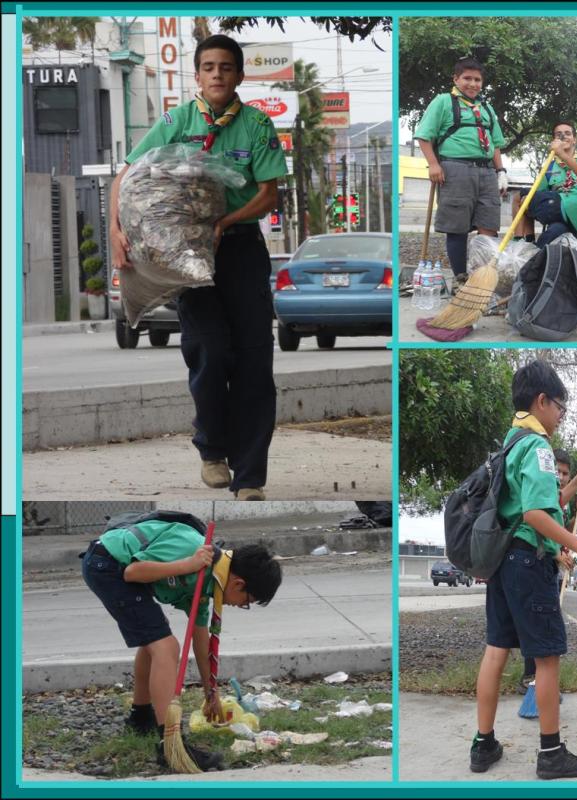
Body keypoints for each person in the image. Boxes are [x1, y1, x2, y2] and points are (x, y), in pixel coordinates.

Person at [109, 35, 286, 500]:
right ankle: (211, 448)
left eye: (226, 68)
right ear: (197, 75)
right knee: (208, 350)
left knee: (253, 360)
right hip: (187, 256)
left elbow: (269, 195)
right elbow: (126, 176)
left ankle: (249, 477)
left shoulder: (256, 125)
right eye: (208, 67)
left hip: (240, 250)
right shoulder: (176, 121)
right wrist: (115, 231)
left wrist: (224, 222)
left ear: (239, 76)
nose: (217, 75)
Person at [472, 360, 577, 780]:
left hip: (502, 562)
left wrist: (574, 485)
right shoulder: (537, 446)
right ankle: (551, 753)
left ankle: (483, 744)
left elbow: (534, 506)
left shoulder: (510, 443)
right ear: (542, 401)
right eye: (560, 408)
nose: (561, 416)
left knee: (496, 650)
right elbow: (535, 513)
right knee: (547, 657)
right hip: (528, 564)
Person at [80, 517, 282, 771]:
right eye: (246, 601)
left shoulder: (210, 580)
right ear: (238, 583)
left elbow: (200, 638)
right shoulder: (192, 550)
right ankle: (170, 742)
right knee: (166, 646)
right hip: (107, 565)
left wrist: (211, 693)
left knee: (154, 638)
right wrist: (187, 564)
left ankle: (141, 718)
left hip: (116, 570)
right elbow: (132, 572)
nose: (240, 606)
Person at [414, 57, 508, 288]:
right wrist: (434, 165)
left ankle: (483, 281)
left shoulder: (486, 108)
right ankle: (460, 279)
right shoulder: (443, 102)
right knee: (457, 226)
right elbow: (425, 136)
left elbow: (495, 143)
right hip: (455, 169)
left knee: (489, 226)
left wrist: (501, 171)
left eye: (477, 79)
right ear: (456, 79)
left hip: (486, 171)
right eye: (467, 78)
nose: (473, 83)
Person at [519, 447, 577, 692]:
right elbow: (541, 528)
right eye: (557, 471)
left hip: (551, 567)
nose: (560, 476)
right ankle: (531, 677)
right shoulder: (544, 494)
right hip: (537, 561)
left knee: (547, 625)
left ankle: (543, 681)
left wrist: (575, 516)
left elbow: (564, 532)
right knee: (539, 626)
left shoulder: (563, 501)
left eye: (565, 473)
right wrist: (559, 554)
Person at [514, 121, 577, 245]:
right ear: (554, 140)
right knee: (525, 199)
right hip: (557, 214)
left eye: (567, 133)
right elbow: (531, 200)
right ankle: (529, 247)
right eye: (558, 134)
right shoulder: (548, 168)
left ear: (574, 140)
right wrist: (529, 237)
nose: (563, 137)